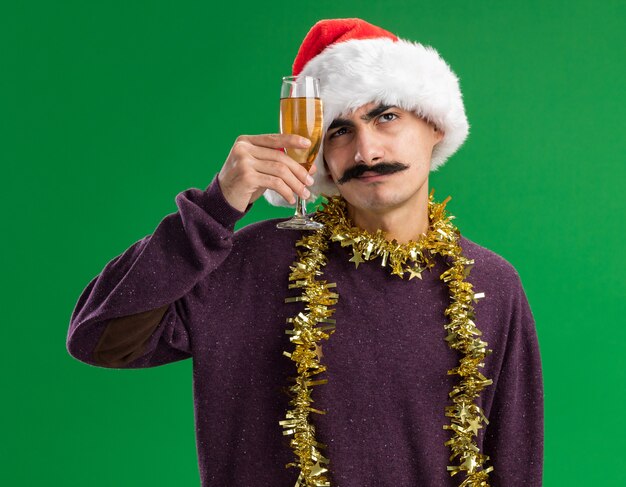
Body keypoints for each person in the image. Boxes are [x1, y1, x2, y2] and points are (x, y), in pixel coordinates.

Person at [66, 18, 544, 487]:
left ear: (435, 125)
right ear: (317, 153)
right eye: (339, 130)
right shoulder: (251, 262)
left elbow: (514, 464)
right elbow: (100, 338)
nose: (366, 151)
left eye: (386, 117)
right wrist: (215, 208)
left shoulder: (491, 285)